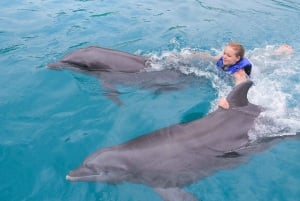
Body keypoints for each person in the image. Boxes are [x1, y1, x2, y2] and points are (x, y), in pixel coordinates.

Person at [190, 42, 293, 109]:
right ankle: (277, 52)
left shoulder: (239, 73)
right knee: (259, 58)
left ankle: (280, 53)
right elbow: (207, 57)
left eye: (228, 55)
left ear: (237, 58)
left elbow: (239, 87)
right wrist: (186, 56)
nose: (224, 57)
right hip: (245, 62)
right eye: (224, 53)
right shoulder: (223, 58)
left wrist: (226, 99)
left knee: (266, 66)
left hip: (256, 72)